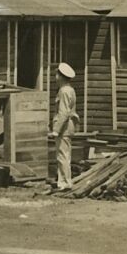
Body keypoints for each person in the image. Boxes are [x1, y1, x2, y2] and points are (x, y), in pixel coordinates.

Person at [51, 62, 81, 190]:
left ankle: (64, 183)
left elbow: (63, 112)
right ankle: (66, 181)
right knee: (66, 155)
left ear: (61, 76)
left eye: (57, 73)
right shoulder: (70, 90)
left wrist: (56, 130)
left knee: (62, 156)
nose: (55, 76)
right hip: (69, 126)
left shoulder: (63, 91)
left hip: (64, 127)